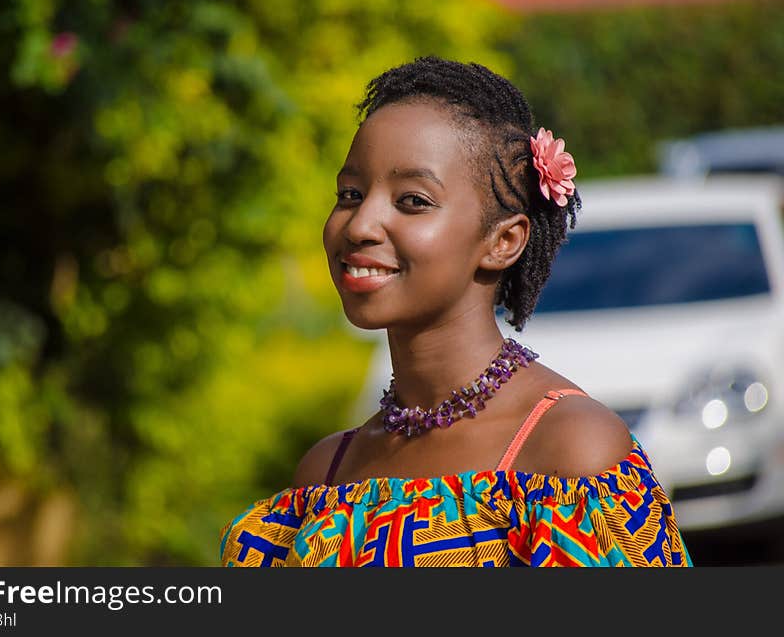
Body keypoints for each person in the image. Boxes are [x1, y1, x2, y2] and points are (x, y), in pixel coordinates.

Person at [219, 56, 692, 567]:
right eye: (350, 194)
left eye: (412, 201)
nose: (360, 225)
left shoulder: (569, 452)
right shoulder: (325, 475)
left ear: (504, 240)